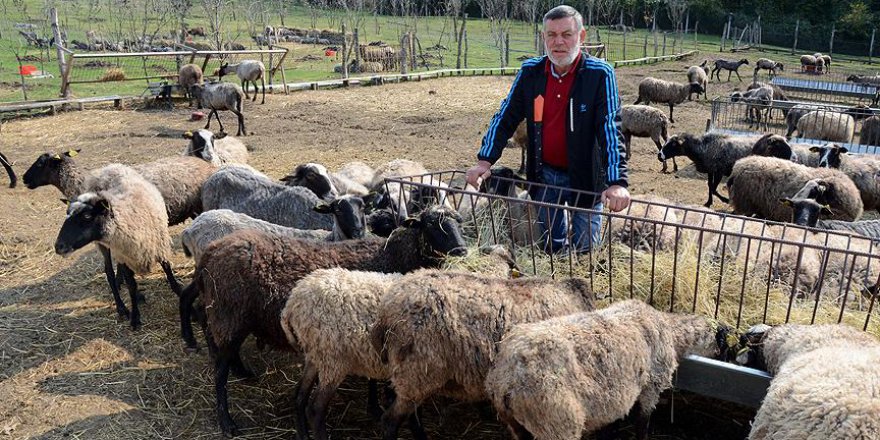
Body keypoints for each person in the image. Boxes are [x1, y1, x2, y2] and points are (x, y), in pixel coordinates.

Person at [466, 4, 630, 253]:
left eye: (567, 34)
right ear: (543, 38)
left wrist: (617, 181)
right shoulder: (531, 73)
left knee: (585, 248)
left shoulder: (599, 75)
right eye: (551, 35)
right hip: (545, 175)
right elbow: (505, 117)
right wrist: (484, 161)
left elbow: (610, 128)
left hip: (586, 177)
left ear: (581, 36)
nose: (559, 42)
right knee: (549, 246)